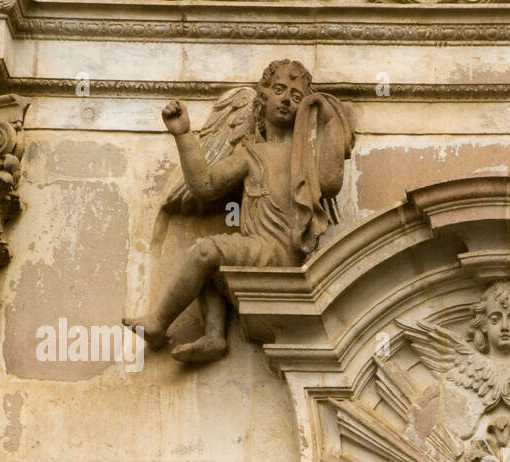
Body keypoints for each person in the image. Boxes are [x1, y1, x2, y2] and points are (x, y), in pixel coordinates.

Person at [125, 59, 351, 363]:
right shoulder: (251, 155)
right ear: (263, 96)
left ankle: (158, 322)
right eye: (279, 90)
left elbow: (331, 182)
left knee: (206, 252)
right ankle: (215, 336)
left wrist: (328, 119)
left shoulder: (303, 157)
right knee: (210, 261)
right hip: (258, 247)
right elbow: (204, 186)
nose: (286, 99)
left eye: (297, 97)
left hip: (278, 252)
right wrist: (183, 135)